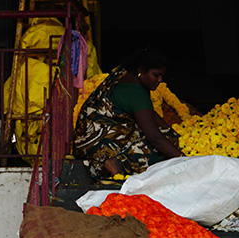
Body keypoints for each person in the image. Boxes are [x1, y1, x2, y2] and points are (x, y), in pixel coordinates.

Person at [72, 48, 182, 180]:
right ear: (141, 70)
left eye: (162, 76)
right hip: (98, 150)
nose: (160, 80)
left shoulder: (123, 74)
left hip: (84, 144)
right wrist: (183, 159)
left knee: (168, 137)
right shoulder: (136, 92)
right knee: (158, 153)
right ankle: (116, 163)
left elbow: (148, 113)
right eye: (156, 75)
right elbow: (154, 136)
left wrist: (170, 131)